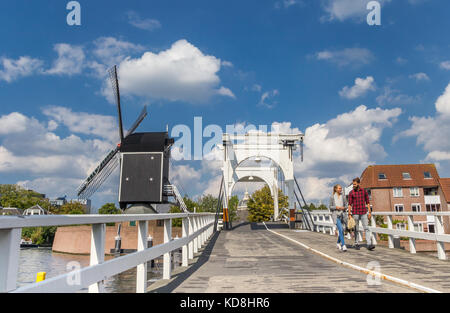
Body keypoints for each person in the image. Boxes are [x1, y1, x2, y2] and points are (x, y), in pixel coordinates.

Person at [348, 177, 375, 251]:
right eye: (353, 184)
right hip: (355, 213)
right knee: (356, 229)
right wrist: (349, 214)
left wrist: (369, 212)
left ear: (359, 184)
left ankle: (369, 244)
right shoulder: (351, 193)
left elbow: (368, 202)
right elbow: (350, 204)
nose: (353, 185)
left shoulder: (364, 192)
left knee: (366, 228)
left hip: (363, 212)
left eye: (355, 184)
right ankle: (356, 243)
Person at [329, 184, 348, 251]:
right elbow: (330, 207)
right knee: (341, 229)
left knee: (342, 230)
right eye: (339, 188)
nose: (341, 189)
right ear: (336, 189)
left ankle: (338, 243)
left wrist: (344, 208)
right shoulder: (332, 197)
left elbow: (346, 205)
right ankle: (343, 245)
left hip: (342, 215)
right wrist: (336, 207)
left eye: (341, 188)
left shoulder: (343, 196)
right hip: (335, 215)